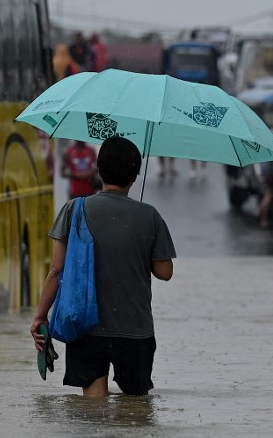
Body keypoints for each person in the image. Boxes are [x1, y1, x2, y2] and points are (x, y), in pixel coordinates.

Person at [31, 136, 176, 397]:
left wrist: (41, 316)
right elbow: (164, 273)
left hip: (87, 329)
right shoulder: (150, 215)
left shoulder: (74, 209)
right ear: (135, 176)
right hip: (135, 331)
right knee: (134, 413)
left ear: (98, 170)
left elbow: (56, 270)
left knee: (93, 409)